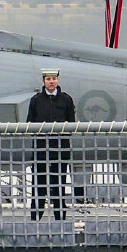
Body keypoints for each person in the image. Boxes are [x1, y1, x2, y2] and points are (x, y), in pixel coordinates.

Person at [26, 67, 77, 220]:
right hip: (41, 145)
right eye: (48, 79)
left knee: (59, 181)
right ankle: (36, 216)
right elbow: (30, 122)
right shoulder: (36, 100)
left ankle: (60, 215)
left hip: (60, 146)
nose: (51, 82)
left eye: (54, 79)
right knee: (38, 181)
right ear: (44, 81)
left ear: (57, 80)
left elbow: (71, 123)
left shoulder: (66, 99)